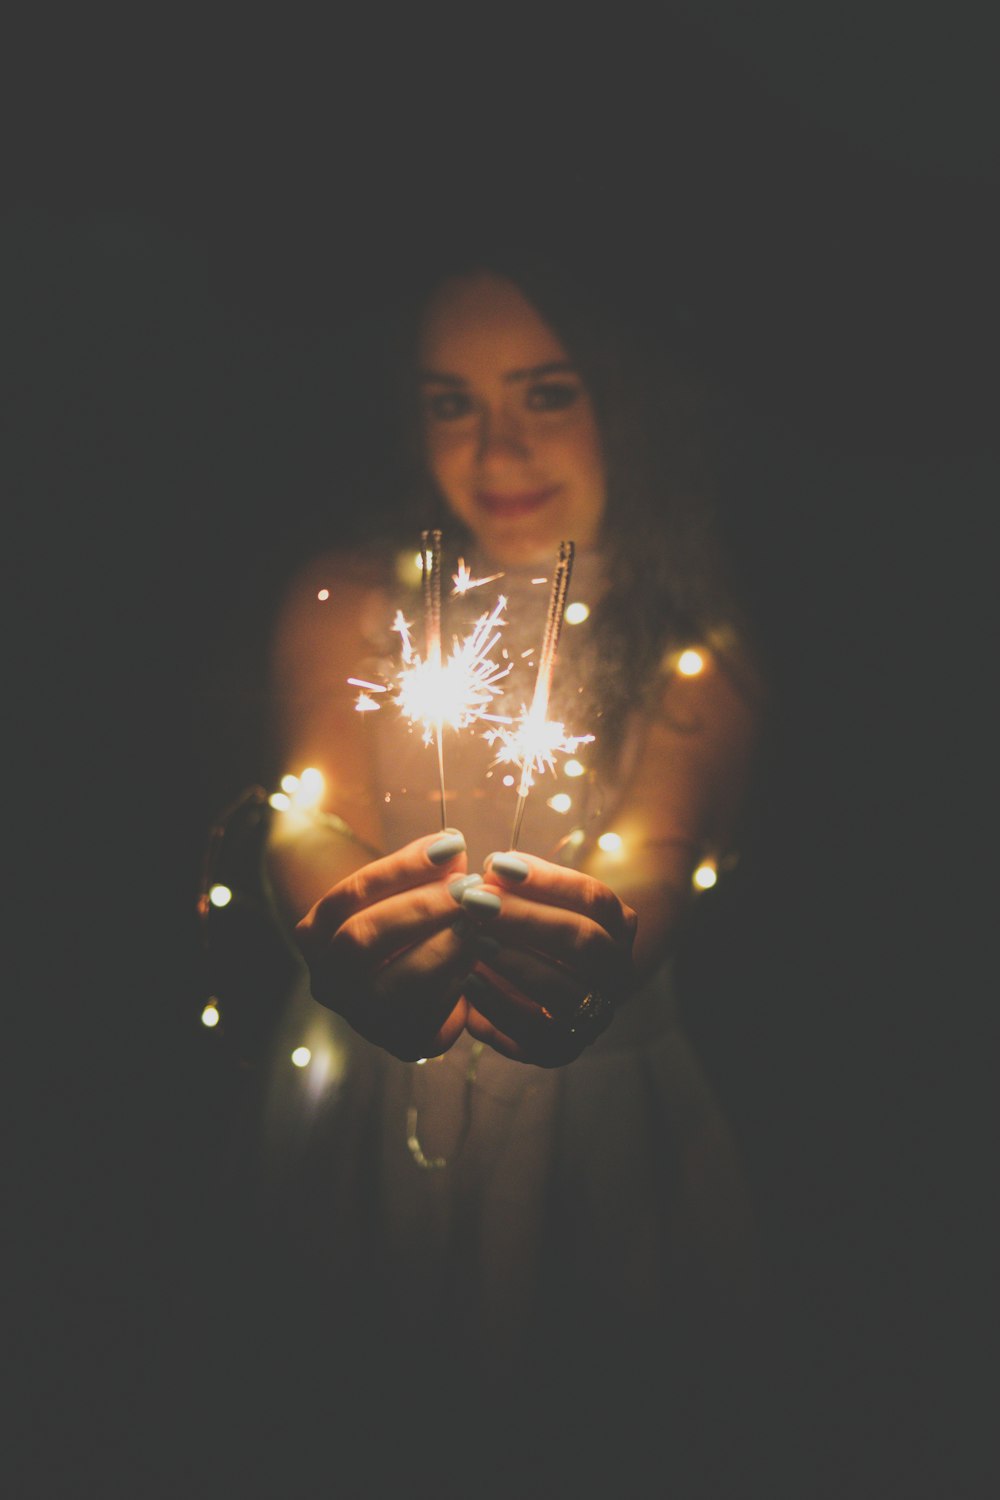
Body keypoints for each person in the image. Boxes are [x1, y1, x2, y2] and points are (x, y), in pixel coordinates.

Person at [253, 248, 768, 1491]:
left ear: (627, 397)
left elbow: (651, 851)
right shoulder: (351, 610)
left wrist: (596, 951)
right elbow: (304, 811)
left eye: (547, 391)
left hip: (600, 1129)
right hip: (364, 1092)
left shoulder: (694, 654)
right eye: (451, 401)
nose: (496, 454)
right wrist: (343, 920)